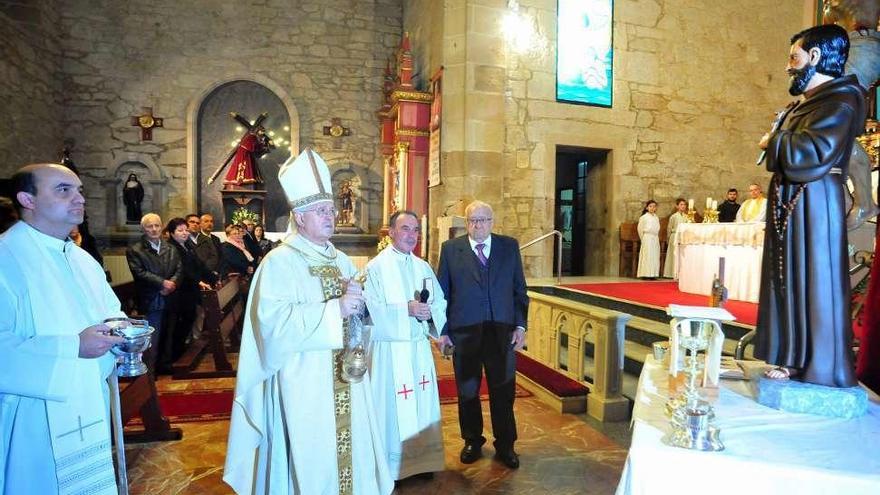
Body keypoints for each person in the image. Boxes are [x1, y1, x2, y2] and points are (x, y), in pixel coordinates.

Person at [224, 148, 392, 494]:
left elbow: (360, 311)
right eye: (320, 211)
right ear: (299, 218)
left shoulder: (343, 260)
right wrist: (336, 311)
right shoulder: (279, 263)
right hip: (303, 383)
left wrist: (363, 308)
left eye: (331, 210)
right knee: (311, 458)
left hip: (347, 377)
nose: (330, 216)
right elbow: (272, 327)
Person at [0, 163, 124, 494]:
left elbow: (111, 312)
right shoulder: (6, 257)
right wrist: (73, 347)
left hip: (88, 398)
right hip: (31, 412)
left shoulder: (82, 259)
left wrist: (124, 334)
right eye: (63, 190)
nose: (79, 199)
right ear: (27, 199)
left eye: (80, 190)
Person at [755, 24, 866, 387]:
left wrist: (774, 140)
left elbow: (816, 152)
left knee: (814, 281)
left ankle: (818, 365)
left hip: (815, 203)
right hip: (797, 203)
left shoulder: (841, 100)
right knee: (790, 278)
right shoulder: (814, 102)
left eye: (794, 57)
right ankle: (791, 357)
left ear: (815, 57)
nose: (789, 66)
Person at [436, 200, 528, 470]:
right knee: (467, 391)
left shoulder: (508, 247)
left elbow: (519, 290)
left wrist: (520, 326)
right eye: (473, 220)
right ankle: (472, 440)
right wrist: (443, 331)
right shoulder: (451, 249)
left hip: (502, 332)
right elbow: (443, 294)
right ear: (466, 223)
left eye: (483, 220)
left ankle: (506, 444)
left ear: (492, 221)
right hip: (464, 331)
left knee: (503, 390)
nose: (478, 225)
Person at [365, 210, 447, 481]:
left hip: (417, 349)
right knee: (392, 406)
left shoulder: (422, 267)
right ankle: (394, 468)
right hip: (390, 351)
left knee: (421, 402)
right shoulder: (375, 268)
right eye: (405, 229)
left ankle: (420, 463)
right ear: (391, 232)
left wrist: (430, 314)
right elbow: (370, 311)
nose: (412, 235)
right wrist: (407, 310)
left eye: (415, 230)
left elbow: (439, 301)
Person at [823, 0, 880, 229]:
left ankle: (862, 202)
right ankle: (847, 195)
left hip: (864, 45)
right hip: (858, 46)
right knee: (830, 123)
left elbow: (829, 26)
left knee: (829, 114)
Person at [126, 212, 181, 371]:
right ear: (143, 229)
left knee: (168, 334)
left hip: (170, 296)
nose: (154, 229)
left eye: (157, 225)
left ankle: (165, 365)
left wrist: (172, 283)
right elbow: (139, 272)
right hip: (151, 298)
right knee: (153, 337)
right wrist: (162, 283)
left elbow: (179, 268)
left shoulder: (170, 247)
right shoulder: (135, 250)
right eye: (150, 226)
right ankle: (151, 370)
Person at [166, 217, 216, 362]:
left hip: (190, 292)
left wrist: (213, 278)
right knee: (180, 325)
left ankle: (181, 351)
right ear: (171, 233)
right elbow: (184, 270)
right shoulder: (172, 247)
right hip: (181, 292)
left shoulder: (187, 245)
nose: (184, 233)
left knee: (189, 320)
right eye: (180, 230)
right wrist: (199, 281)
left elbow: (199, 265)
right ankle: (176, 355)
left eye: (186, 230)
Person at [663, 198, 687, 279]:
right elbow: (669, 228)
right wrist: (668, 238)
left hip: (683, 237)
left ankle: (681, 273)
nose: (683, 206)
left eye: (684, 204)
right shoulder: (673, 217)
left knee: (681, 256)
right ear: (677, 206)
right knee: (673, 255)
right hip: (674, 236)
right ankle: (671, 273)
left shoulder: (686, 216)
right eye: (681, 204)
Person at [636, 200, 660, 279]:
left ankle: (653, 274)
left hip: (655, 237)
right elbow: (640, 229)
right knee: (647, 256)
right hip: (647, 237)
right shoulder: (644, 217)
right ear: (647, 207)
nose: (652, 208)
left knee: (654, 255)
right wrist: (643, 239)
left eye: (654, 206)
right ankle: (645, 274)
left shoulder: (656, 217)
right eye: (650, 206)